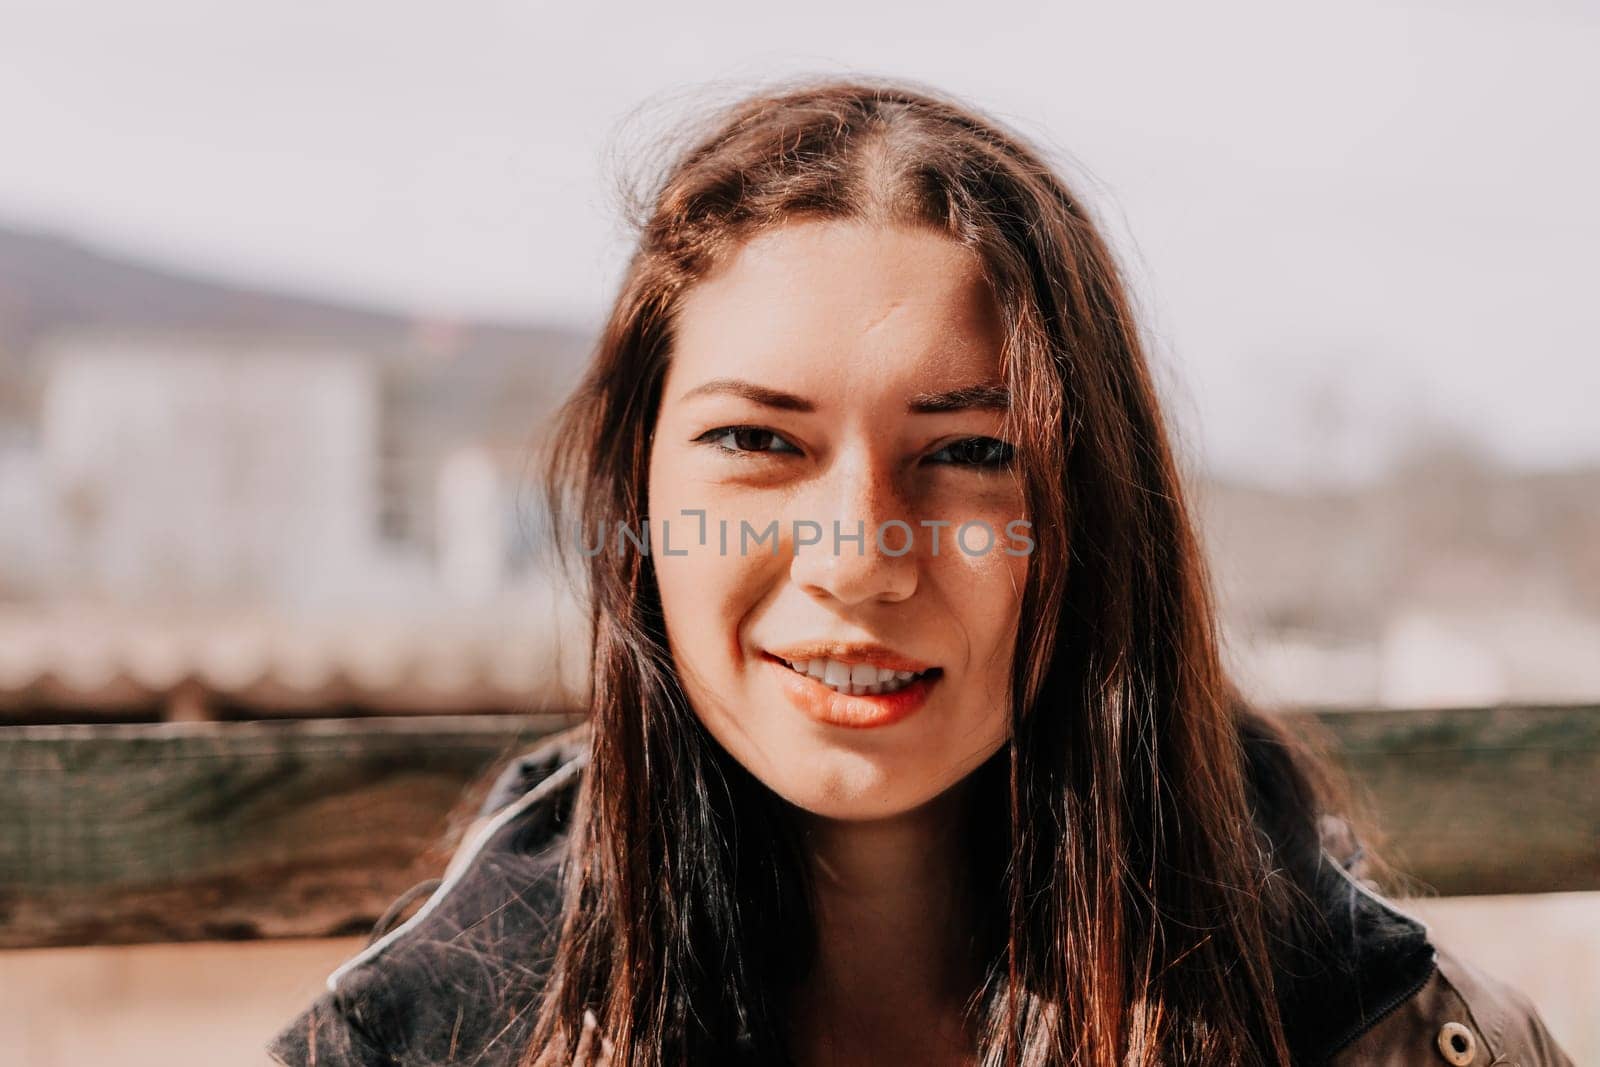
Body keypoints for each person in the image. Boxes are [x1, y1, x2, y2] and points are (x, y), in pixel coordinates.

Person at [269, 78, 1573, 1066]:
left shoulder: (1386, 1029)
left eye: (967, 453)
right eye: (758, 441)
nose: (857, 560)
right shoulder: (428, 1034)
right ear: (640, 496)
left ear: (1095, 515)